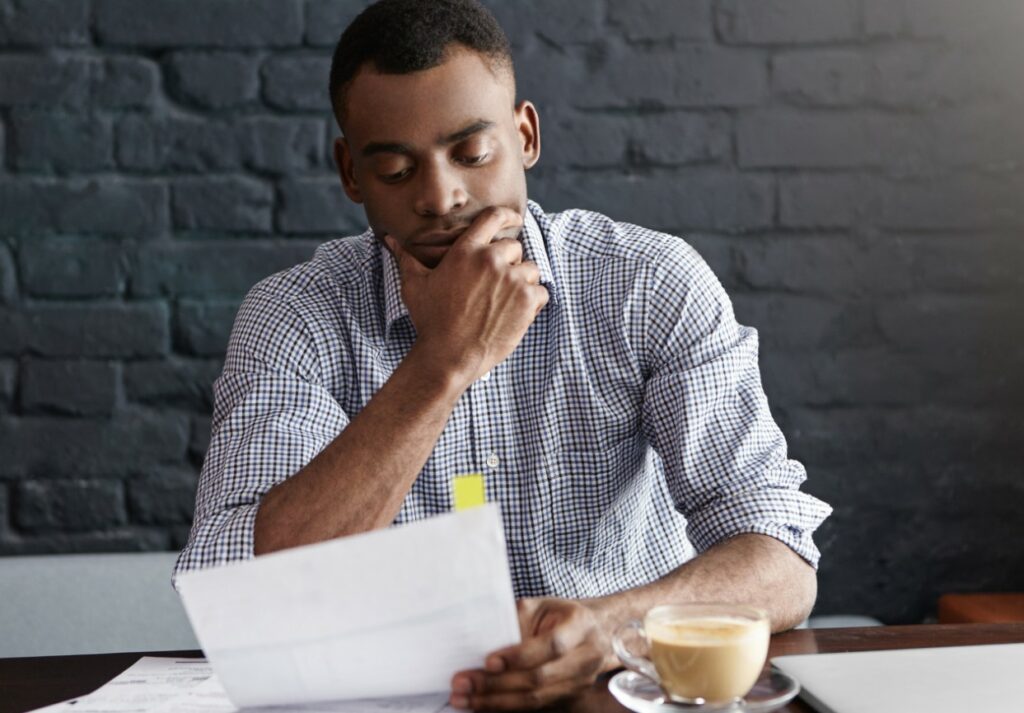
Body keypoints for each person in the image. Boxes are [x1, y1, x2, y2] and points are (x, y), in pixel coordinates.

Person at [174, 0, 832, 709]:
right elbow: (241, 595)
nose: (440, 196)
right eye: (395, 170)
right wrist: (444, 362)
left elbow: (780, 556)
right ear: (350, 173)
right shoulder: (292, 316)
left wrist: (610, 627)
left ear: (524, 136)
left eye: (472, 154)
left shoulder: (648, 282)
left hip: (616, 690)